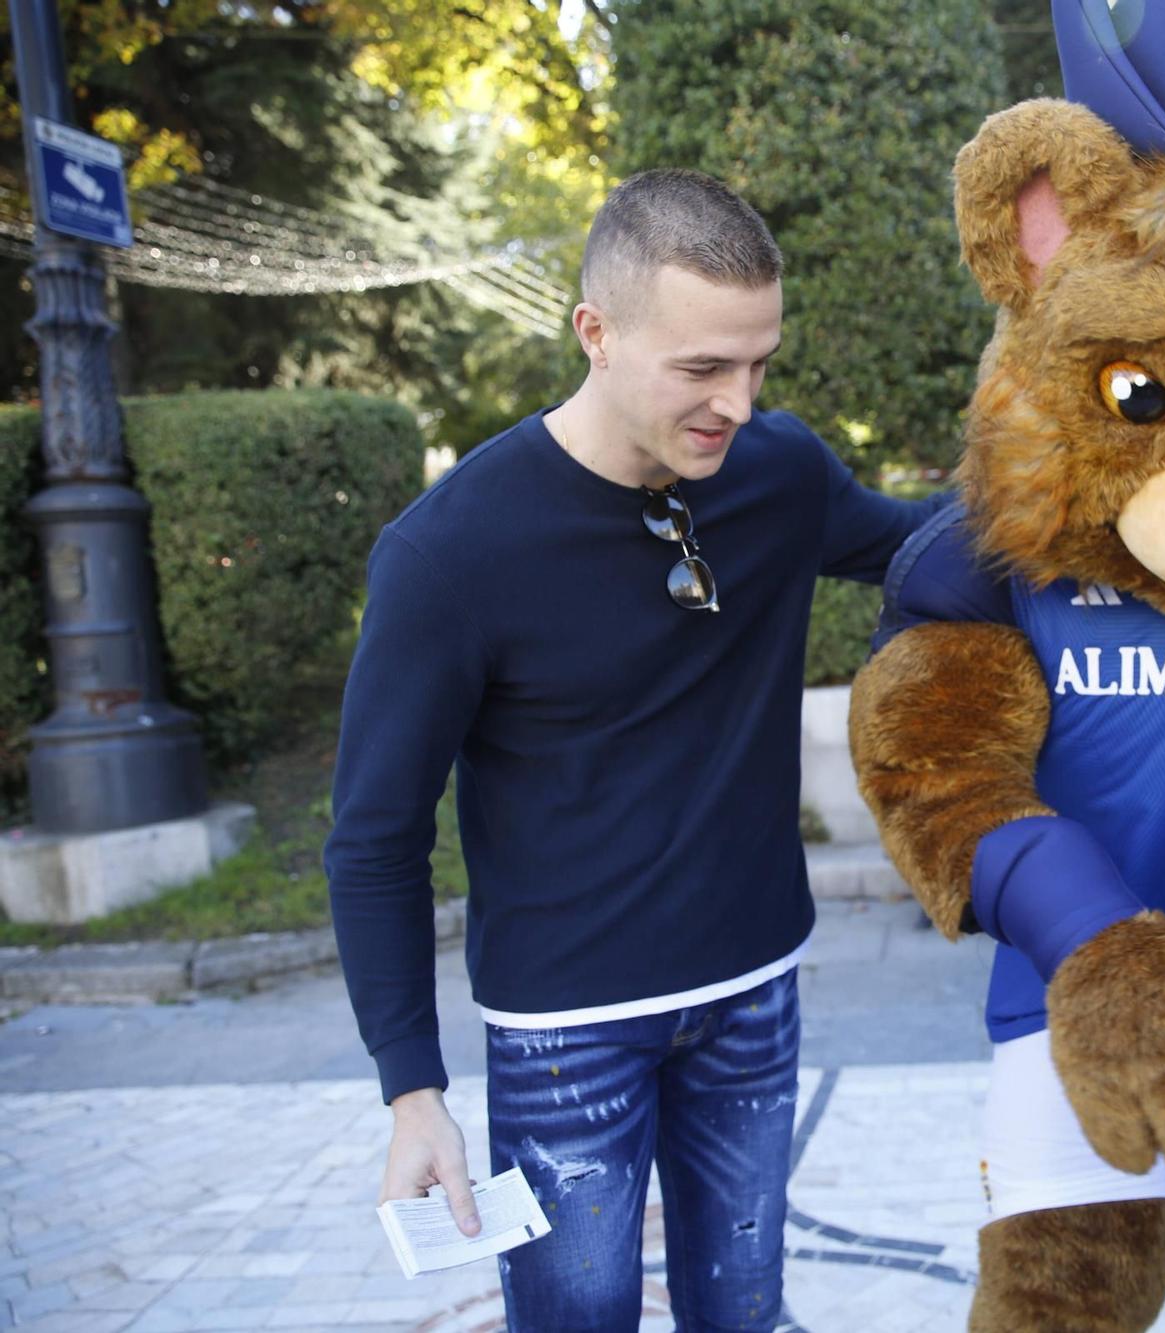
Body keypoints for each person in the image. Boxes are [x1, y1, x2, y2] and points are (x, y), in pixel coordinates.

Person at [323, 168, 945, 1332]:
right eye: (702, 368)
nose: (738, 403)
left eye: (757, 363)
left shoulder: (778, 471)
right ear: (595, 334)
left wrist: (1101, 488)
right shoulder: (448, 553)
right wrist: (412, 1090)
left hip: (752, 990)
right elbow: (372, 840)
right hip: (564, 1033)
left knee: (742, 1317)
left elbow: (922, 550)